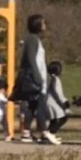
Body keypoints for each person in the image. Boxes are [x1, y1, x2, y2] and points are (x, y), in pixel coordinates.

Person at [16, 14, 58, 145]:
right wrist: (38, 79)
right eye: (43, 23)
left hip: (37, 78)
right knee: (40, 106)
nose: (45, 25)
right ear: (37, 24)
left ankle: (26, 133)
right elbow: (32, 60)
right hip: (36, 80)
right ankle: (44, 132)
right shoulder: (33, 39)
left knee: (32, 107)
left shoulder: (34, 39)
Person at [46, 61, 71, 138]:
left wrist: (65, 101)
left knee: (53, 120)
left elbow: (60, 93)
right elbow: (56, 92)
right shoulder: (54, 79)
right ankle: (50, 133)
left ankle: (47, 134)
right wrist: (62, 103)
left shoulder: (54, 79)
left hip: (53, 101)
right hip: (53, 102)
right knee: (63, 118)